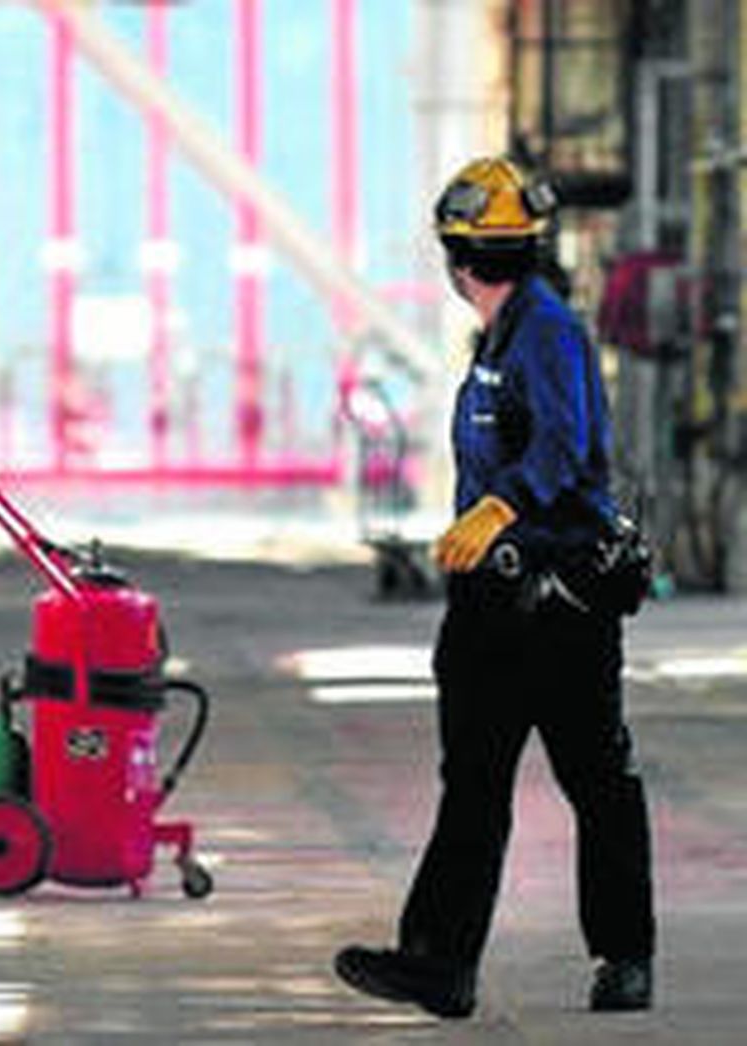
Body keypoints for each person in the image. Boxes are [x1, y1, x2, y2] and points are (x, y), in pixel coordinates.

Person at [334, 156, 656, 1018]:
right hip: (488, 606)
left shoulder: (545, 332)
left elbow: (564, 445)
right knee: (473, 786)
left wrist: (501, 508)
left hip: (559, 607)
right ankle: (439, 963)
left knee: (595, 778)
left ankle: (625, 956)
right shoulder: (505, 334)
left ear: (454, 256)